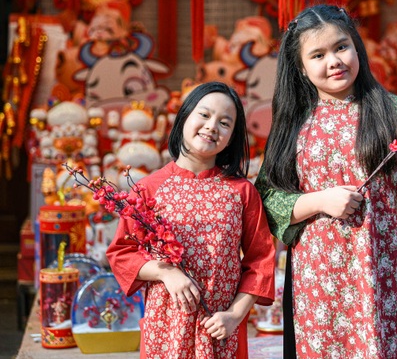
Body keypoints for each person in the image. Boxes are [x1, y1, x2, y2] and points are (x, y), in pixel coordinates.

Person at [255, 4, 397, 358]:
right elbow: (269, 198)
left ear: (357, 48)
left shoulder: (390, 109)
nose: (334, 61)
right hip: (316, 276)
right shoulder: (293, 122)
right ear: (302, 69)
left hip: (377, 270)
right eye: (317, 55)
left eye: (341, 47)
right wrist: (321, 201)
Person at [107, 82, 276, 359]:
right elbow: (121, 253)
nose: (212, 126)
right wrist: (165, 272)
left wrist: (234, 315)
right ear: (184, 116)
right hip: (166, 327)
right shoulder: (148, 189)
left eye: (225, 123)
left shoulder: (242, 192)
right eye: (204, 114)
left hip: (221, 328)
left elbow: (260, 262)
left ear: (232, 136)